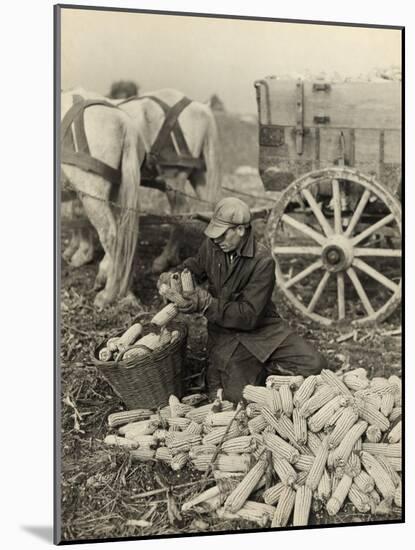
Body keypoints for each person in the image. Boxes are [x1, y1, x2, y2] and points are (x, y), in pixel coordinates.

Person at [159, 197, 328, 403]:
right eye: (214, 235)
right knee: (236, 398)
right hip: (226, 333)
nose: (216, 240)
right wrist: (174, 277)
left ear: (240, 230)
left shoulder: (262, 261)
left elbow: (249, 315)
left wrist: (207, 305)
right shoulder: (212, 246)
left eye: (222, 234)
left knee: (314, 364)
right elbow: (194, 267)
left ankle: (264, 370)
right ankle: (246, 372)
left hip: (262, 328)